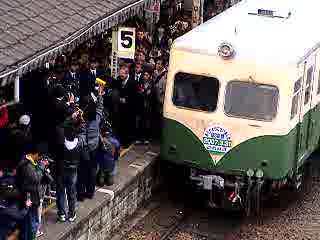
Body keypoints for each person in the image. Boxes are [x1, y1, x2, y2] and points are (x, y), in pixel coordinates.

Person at [15, 143, 52, 240]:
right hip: (29, 198)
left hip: (32, 196)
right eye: (39, 156)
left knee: (30, 222)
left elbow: (44, 178)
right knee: (32, 222)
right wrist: (42, 165)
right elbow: (36, 178)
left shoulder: (30, 162)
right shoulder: (26, 165)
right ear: (34, 154)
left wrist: (44, 170)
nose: (39, 158)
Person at [56, 118, 88, 223]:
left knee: (60, 192)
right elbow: (83, 131)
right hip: (73, 170)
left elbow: (60, 127)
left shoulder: (61, 142)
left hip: (61, 170)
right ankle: (72, 214)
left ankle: (61, 214)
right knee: (72, 193)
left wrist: (69, 119)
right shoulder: (80, 142)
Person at [77, 86, 105, 200]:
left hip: (85, 150)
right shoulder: (97, 119)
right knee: (92, 171)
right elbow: (100, 107)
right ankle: (90, 192)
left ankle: (80, 194)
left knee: (82, 173)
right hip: (95, 147)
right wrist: (100, 96)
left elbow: (81, 133)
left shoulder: (84, 122)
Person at [111, 64, 137, 147]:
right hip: (119, 107)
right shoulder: (118, 79)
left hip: (129, 108)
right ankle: (119, 141)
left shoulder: (133, 82)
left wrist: (126, 100)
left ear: (127, 74)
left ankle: (127, 142)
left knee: (127, 126)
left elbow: (134, 96)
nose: (121, 77)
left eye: (122, 75)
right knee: (119, 125)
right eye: (120, 74)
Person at [135, 67, 154, 144]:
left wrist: (145, 93)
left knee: (147, 123)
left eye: (147, 75)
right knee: (140, 122)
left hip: (148, 106)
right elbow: (139, 93)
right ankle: (139, 138)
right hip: (141, 105)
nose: (145, 76)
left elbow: (151, 95)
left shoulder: (152, 84)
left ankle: (146, 138)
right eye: (144, 75)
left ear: (149, 76)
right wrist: (144, 93)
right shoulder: (140, 83)